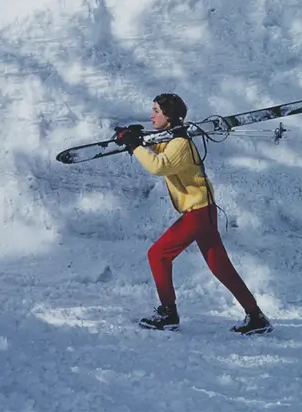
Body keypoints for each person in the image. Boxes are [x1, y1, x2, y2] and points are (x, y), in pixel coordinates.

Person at [115, 93, 272, 335]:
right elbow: (161, 150)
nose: (151, 115)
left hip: (198, 214)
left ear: (169, 116)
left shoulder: (180, 143)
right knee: (220, 267)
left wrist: (134, 146)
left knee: (158, 255)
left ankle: (168, 313)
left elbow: (159, 165)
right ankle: (256, 316)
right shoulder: (174, 139)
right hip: (203, 211)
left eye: (156, 111)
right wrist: (137, 137)